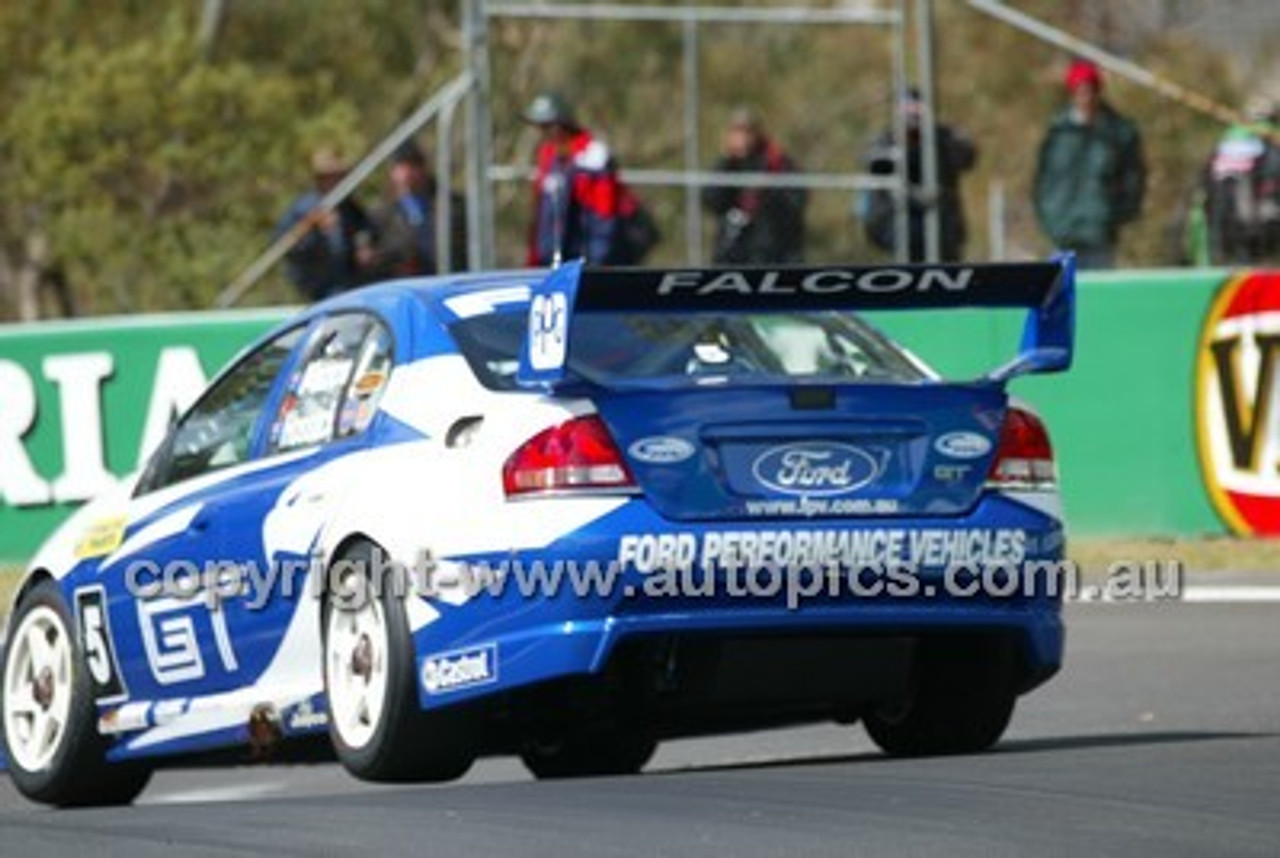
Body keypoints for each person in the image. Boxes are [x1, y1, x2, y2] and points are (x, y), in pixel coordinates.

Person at [1033, 60, 1146, 269]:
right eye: (1079, 90)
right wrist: (1048, 217)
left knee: (1097, 293)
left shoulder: (1118, 132)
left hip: (1099, 232)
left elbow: (1133, 179)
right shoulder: (1057, 132)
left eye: (1090, 89)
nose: (1085, 95)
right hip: (1062, 231)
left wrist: (1118, 215)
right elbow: (1043, 178)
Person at [860, 89, 977, 262]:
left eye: (917, 108)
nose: (913, 115)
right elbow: (874, 164)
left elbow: (967, 158)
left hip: (941, 222)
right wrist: (905, 151)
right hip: (898, 219)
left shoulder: (942, 138)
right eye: (908, 109)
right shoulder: (887, 139)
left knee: (946, 256)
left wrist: (938, 137)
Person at [524, 92, 621, 266]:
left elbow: (604, 215)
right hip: (549, 259)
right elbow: (542, 214)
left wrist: (597, 262)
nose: (544, 133)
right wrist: (534, 258)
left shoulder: (592, 155)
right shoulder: (548, 155)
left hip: (584, 261)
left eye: (548, 126)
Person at [702, 108, 806, 264]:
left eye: (747, 131)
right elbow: (712, 200)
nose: (742, 138)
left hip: (774, 252)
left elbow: (796, 200)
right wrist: (728, 163)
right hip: (733, 251)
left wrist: (767, 190)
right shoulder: (726, 165)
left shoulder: (777, 161)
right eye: (736, 131)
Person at [275, 146, 377, 300]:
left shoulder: (348, 207)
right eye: (332, 176)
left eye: (340, 176)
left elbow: (365, 228)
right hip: (317, 288)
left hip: (348, 284)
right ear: (320, 178)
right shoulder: (303, 209)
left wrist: (363, 244)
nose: (338, 181)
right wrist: (316, 230)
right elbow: (288, 246)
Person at [1197, 97, 1280, 265]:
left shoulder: (1227, 138)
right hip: (1256, 224)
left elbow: (1205, 178)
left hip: (1219, 221)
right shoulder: (1270, 140)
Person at [371, 141, 467, 277]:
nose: (407, 174)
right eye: (401, 167)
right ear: (393, 173)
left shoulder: (452, 206)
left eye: (413, 167)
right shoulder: (381, 214)